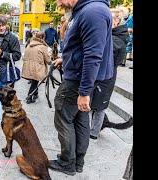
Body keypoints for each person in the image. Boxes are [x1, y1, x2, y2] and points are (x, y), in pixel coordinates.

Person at [49, 0, 114, 176]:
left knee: (63, 116)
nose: (59, 3)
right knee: (80, 118)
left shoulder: (92, 12)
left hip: (78, 81)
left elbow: (93, 55)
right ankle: (77, 162)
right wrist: (67, 59)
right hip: (81, 77)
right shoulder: (89, 10)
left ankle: (67, 162)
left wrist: (84, 92)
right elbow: (82, 47)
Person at [89, 8, 129, 140]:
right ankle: (90, 129)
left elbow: (113, 63)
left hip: (106, 78)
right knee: (95, 105)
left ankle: (93, 132)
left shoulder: (115, 40)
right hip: (101, 77)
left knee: (99, 106)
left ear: (116, 21)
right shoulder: (109, 36)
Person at [22, 31, 51, 104]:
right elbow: (47, 59)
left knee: (34, 81)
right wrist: (51, 62)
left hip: (28, 67)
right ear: (42, 38)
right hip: (37, 68)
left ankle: (35, 94)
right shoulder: (43, 47)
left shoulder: (29, 45)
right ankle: (29, 97)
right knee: (35, 82)